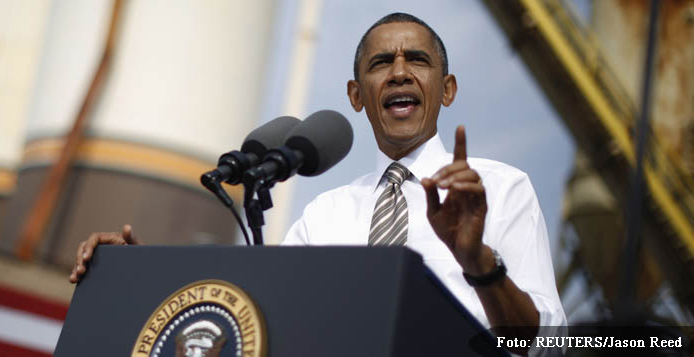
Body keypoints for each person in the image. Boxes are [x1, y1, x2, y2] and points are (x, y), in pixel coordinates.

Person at [70, 12, 565, 353]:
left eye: (417, 60)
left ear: (447, 89)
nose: (399, 73)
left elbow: (553, 345)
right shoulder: (325, 215)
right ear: (356, 95)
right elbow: (262, 325)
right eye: (380, 63)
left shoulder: (499, 190)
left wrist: (478, 262)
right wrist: (142, 276)